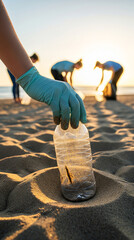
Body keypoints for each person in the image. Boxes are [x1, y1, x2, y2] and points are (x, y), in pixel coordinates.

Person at [0, 0, 86, 130]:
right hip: (15, 69)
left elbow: (68, 77)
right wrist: (31, 79)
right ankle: (16, 99)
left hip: (19, 68)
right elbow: (65, 75)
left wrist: (31, 79)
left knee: (18, 84)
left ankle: (18, 97)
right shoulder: (69, 65)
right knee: (15, 84)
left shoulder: (71, 67)